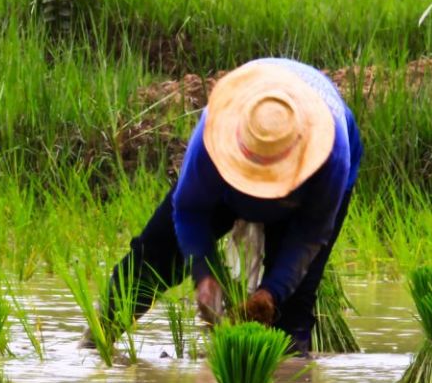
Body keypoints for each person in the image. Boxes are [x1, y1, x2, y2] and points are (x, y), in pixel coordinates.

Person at [93, 58, 360, 356]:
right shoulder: (215, 133)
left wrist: (271, 292)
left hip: (301, 196)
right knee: (154, 257)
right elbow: (190, 211)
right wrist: (203, 274)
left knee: (291, 311)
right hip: (226, 187)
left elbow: (309, 235)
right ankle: (96, 339)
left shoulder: (331, 156)